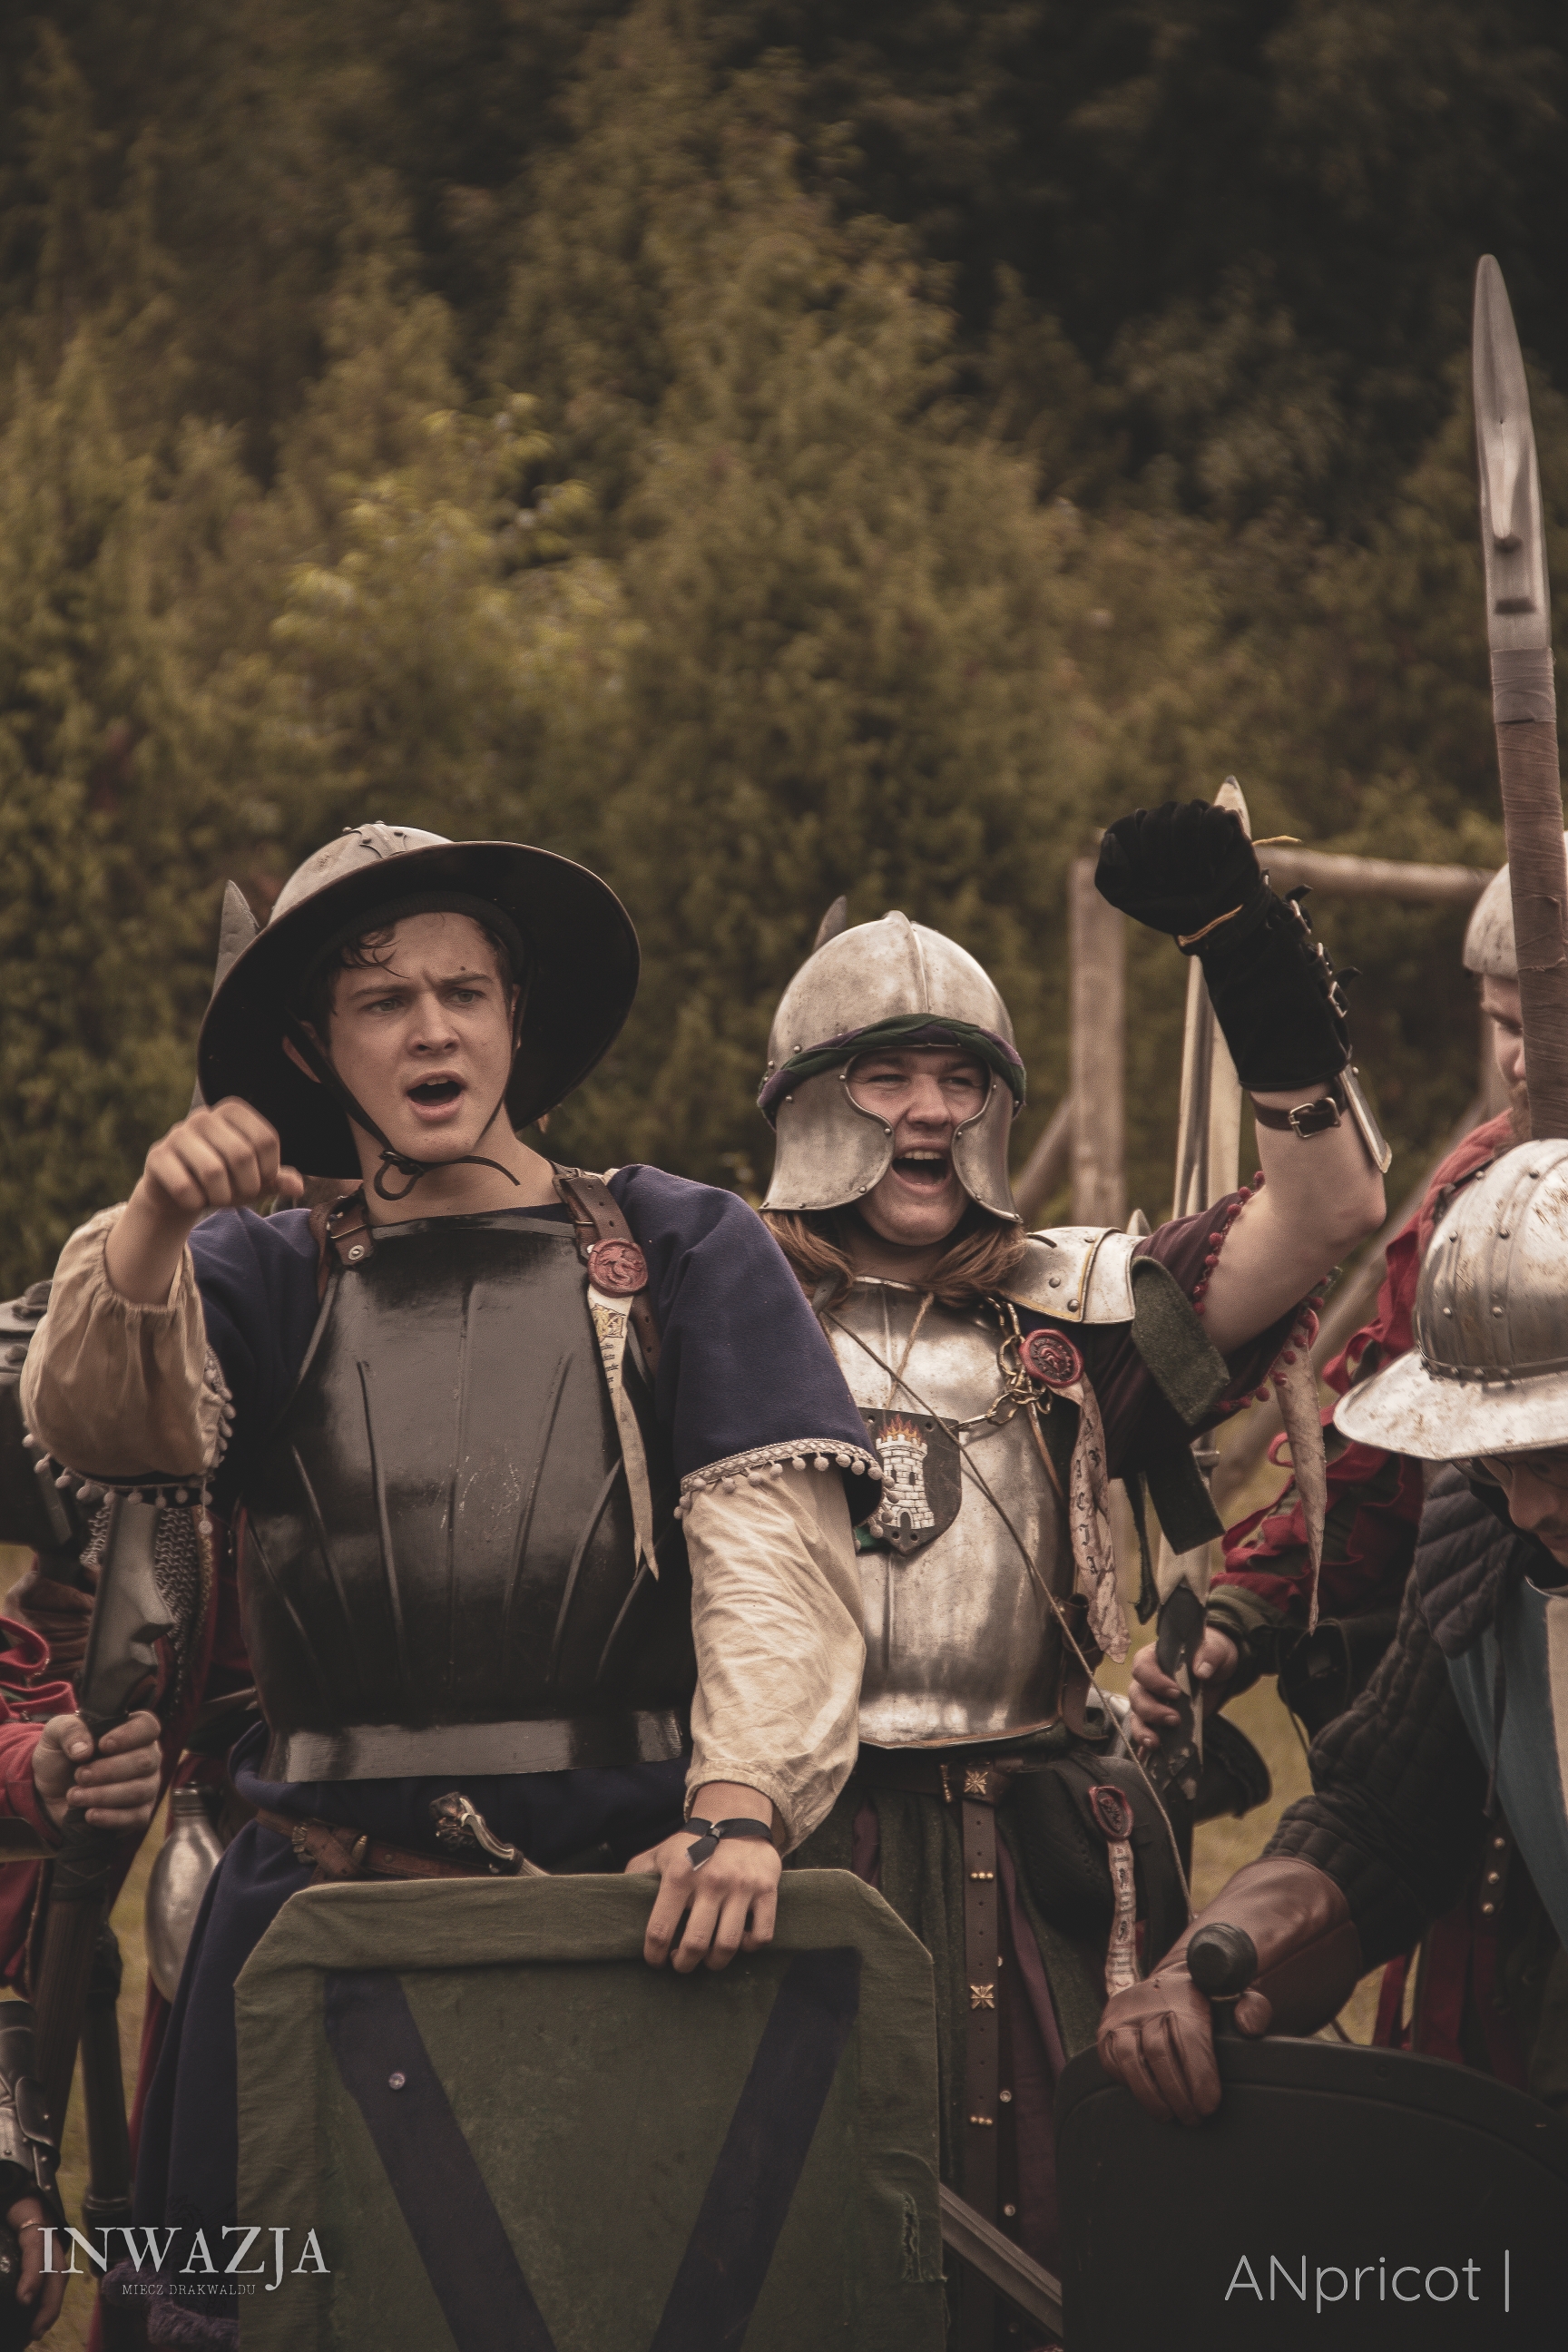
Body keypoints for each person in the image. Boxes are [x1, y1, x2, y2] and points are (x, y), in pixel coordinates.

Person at [20, 821, 882, 2342]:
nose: (432, 1029)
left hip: (632, 1917)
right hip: (318, 1913)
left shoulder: (679, 1244)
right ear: (314, 1046)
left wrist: (740, 1807)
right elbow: (101, 1421)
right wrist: (149, 1225)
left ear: (514, 1016)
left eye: (462, 991)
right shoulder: (259, 1270)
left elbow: (776, 1563)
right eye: (382, 1000)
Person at [759, 800, 1386, 2340]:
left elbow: (1329, 1209)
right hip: (792, 1853)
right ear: (808, 1100)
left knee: (1054, 2253)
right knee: (787, 2255)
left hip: (1029, 1870)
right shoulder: (720, 1309)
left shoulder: (1070, 1321)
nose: (927, 1110)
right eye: (886, 1075)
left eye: (960, 1077)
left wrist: (1246, 955)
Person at [1126, 845, 1552, 2079]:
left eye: (1551, 1024)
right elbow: (1388, 1451)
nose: (1524, 1060)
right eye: (1505, 1026)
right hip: (1500, 1750)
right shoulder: (1485, 1199)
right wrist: (1246, 1615)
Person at [1097, 1132, 1568, 2126]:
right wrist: (1216, 1962)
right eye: (1499, 1459)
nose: (1529, 1506)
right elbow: (1384, 1822)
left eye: (1556, 1460)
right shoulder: (1485, 1536)